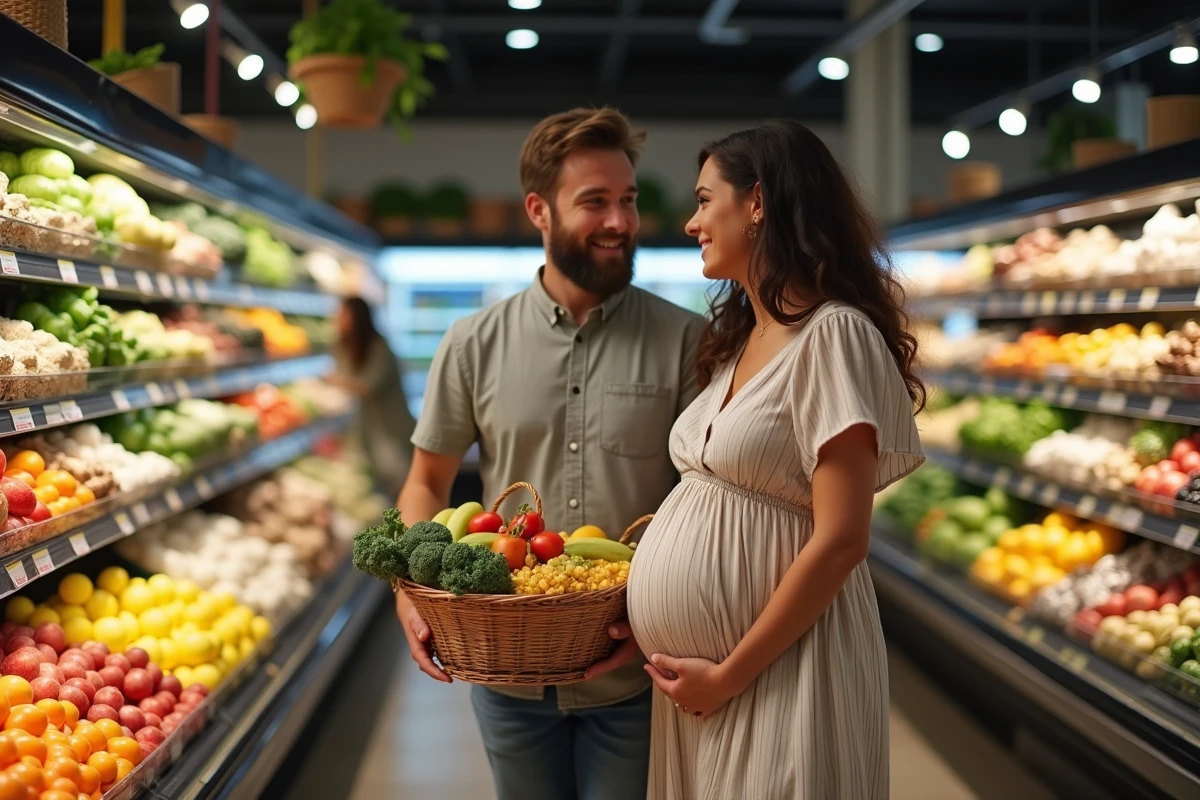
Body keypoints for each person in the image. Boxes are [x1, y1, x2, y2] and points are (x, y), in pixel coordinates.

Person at [394, 107, 705, 800]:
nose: (620, 221)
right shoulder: (473, 343)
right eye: (594, 201)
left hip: (637, 670)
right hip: (509, 673)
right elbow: (426, 482)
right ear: (539, 210)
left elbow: (706, 507)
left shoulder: (688, 342)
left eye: (627, 200)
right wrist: (408, 597)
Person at [624, 121, 926, 799]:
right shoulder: (740, 342)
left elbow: (843, 538)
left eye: (706, 200)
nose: (692, 221)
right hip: (709, 682)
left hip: (782, 668)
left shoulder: (834, 334)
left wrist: (729, 673)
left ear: (756, 202)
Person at [329, 297, 416, 495]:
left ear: (357, 317)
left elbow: (368, 386)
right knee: (379, 483)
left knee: (399, 483)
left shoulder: (379, 347)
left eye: (343, 314)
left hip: (392, 427)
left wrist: (333, 381)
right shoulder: (346, 346)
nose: (337, 319)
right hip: (370, 428)